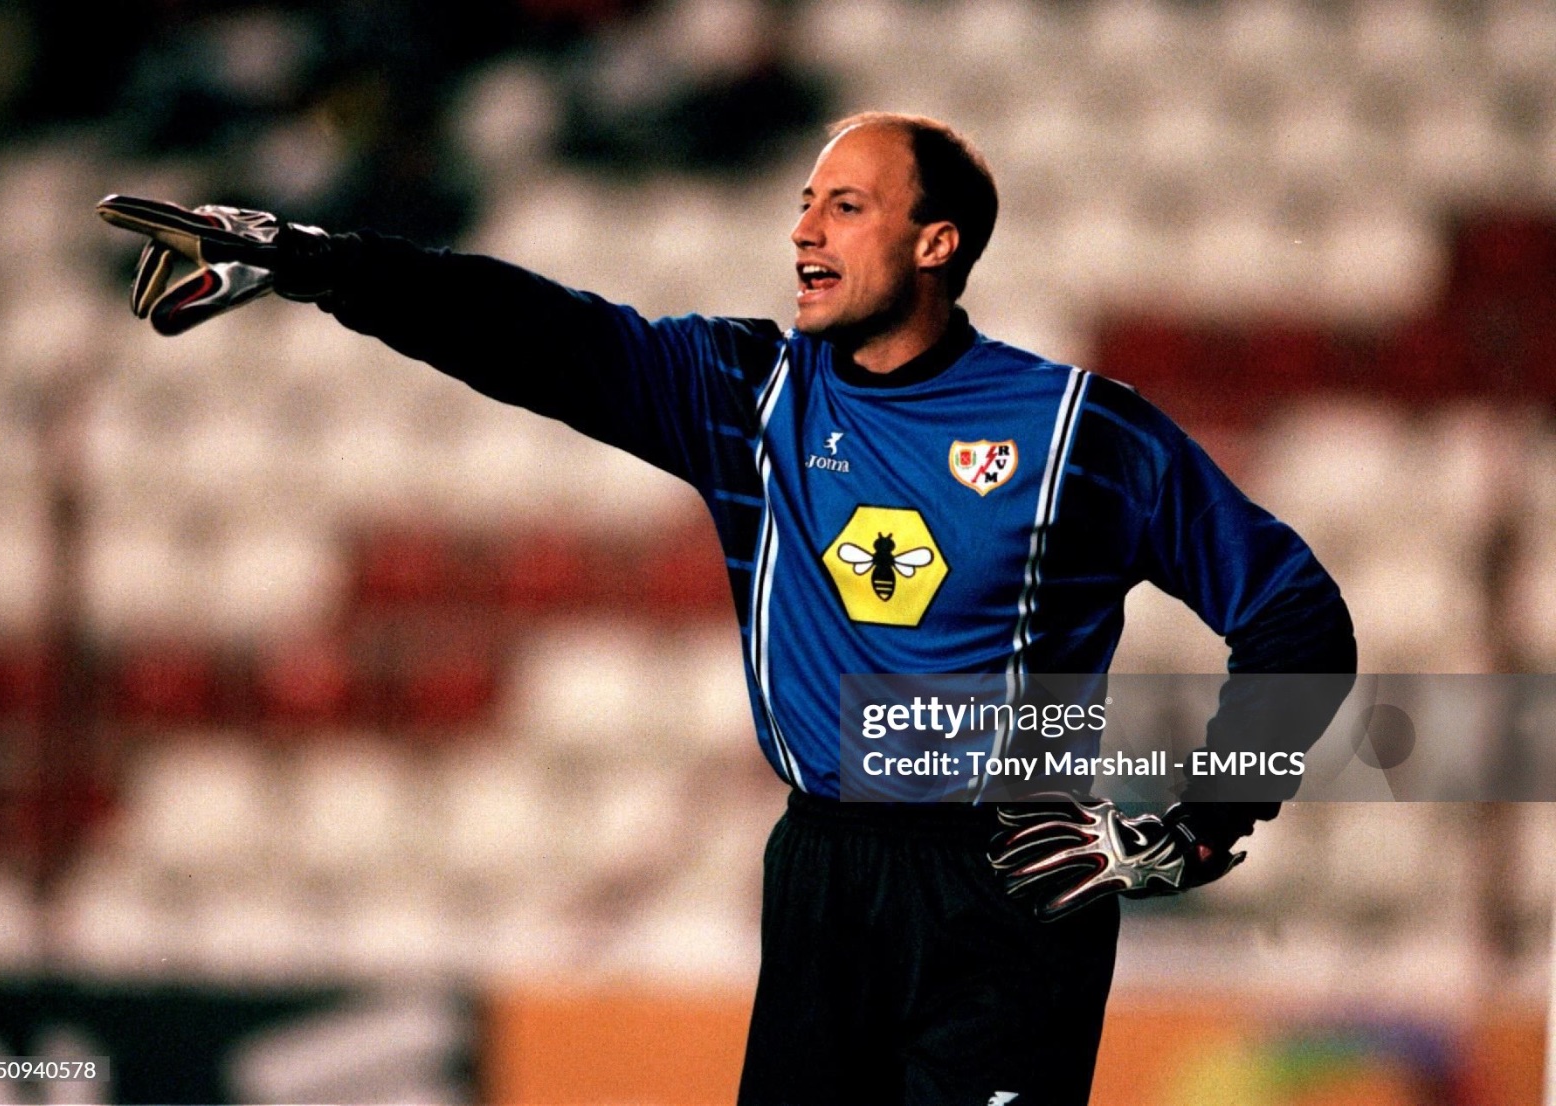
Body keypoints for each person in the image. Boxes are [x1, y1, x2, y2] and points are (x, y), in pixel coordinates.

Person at [98, 112, 1356, 1106]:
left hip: (1010, 891)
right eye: (802, 200)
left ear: (937, 244)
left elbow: (1298, 618)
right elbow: (535, 333)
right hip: (822, 875)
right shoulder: (748, 392)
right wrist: (318, 260)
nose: (804, 227)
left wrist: (1194, 827)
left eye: (845, 204)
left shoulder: (1085, 432)